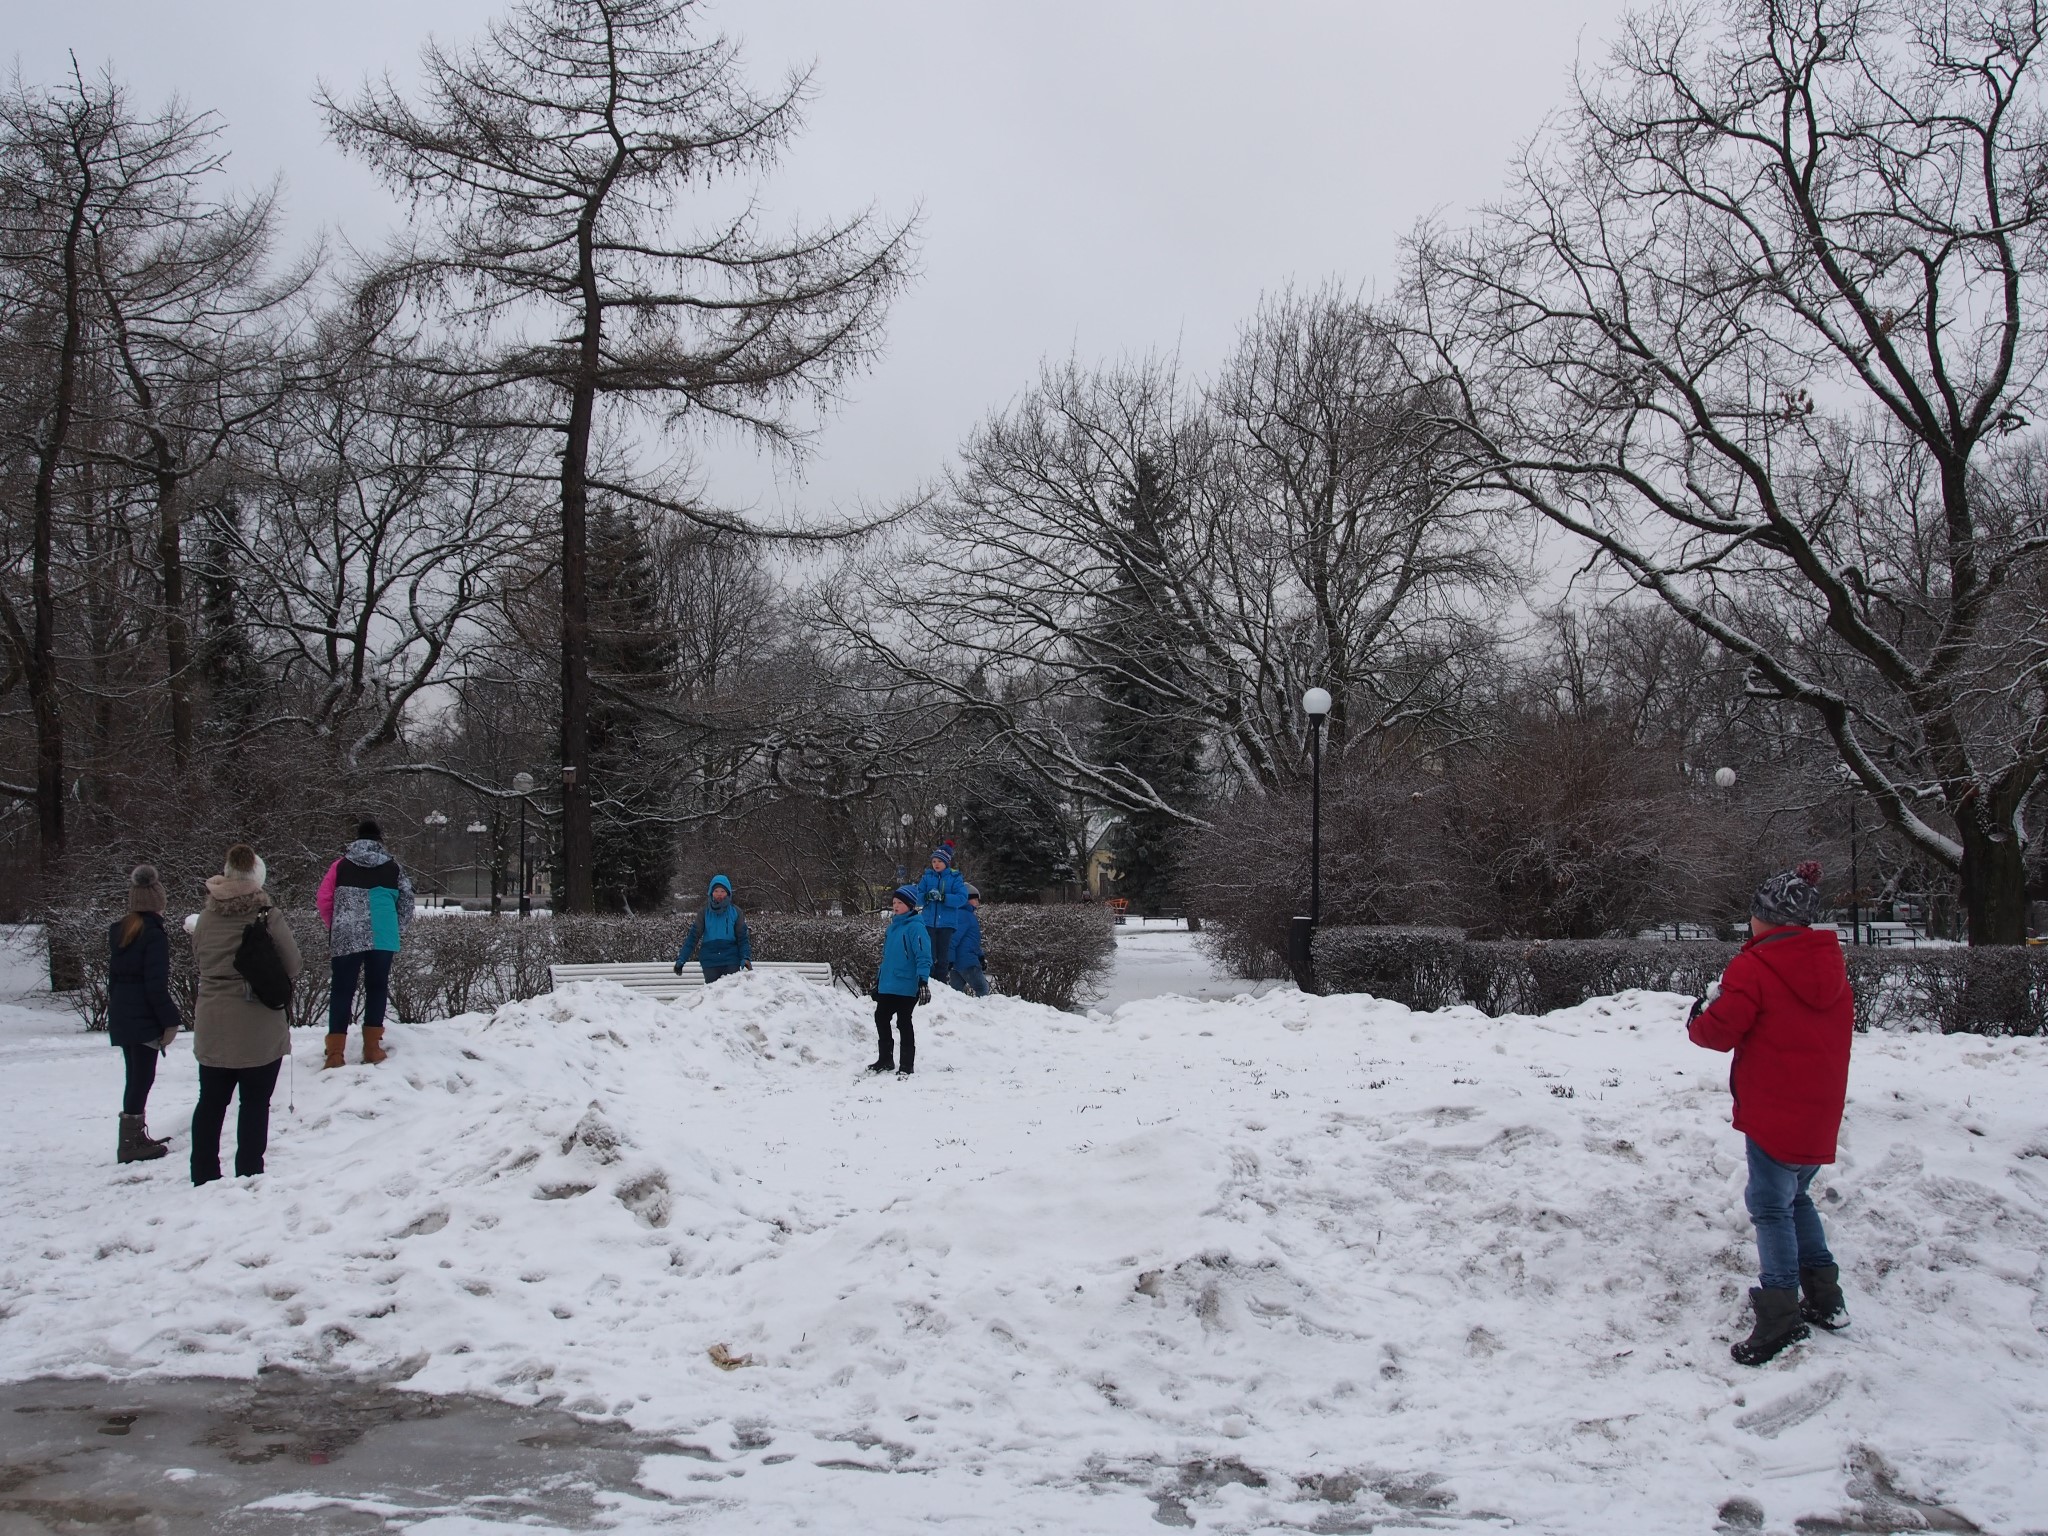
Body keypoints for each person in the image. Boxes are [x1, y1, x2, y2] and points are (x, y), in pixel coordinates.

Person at [1687, 860, 1854, 1365]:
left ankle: (1781, 1315)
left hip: (1773, 1109)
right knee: (1797, 1198)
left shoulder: (1755, 967)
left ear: (1768, 919)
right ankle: (1826, 1298)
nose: (1749, 922)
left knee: (1770, 1207)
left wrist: (1699, 1012)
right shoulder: (1828, 965)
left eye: (1754, 913)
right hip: (1818, 1110)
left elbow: (1716, 1033)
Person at [190, 844, 302, 1185]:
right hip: (258, 1026)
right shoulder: (266, 915)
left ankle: (204, 1173)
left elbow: (200, 958)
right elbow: (293, 964)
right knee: (254, 1103)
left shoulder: (206, 917)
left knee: (210, 1102)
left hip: (212, 1023)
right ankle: (249, 1172)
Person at [316, 819, 415, 1068]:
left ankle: (335, 1054)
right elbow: (407, 901)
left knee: (341, 989)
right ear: (380, 841)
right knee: (377, 987)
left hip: (346, 932)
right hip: (383, 934)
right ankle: (372, 1048)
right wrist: (396, 927)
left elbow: (324, 899)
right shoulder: (393, 868)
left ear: (357, 840)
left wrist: (336, 924)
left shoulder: (340, 866)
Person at [106, 864, 181, 1163]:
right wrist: (170, 1020)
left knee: (134, 1076)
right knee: (142, 1077)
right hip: (144, 1018)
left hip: (124, 1015)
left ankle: (133, 1135)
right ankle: (130, 1143)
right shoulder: (153, 935)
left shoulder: (122, 931)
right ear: (157, 902)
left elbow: (115, 981)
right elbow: (155, 985)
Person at [871, 886, 933, 1077]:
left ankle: (906, 1064)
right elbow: (887, 958)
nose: (896, 906)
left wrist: (923, 981)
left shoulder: (916, 928)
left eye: (900, 903)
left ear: (910, 905)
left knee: (904, 1022)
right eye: (894, 903)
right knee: (881, 1017)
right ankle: (885, 1059)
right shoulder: (892, 928)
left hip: (907, 985)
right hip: (888, 984)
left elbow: (923, 956)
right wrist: (878, 982)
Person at [675, 875, 753, 983]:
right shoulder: (704, 913)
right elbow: (693, 937)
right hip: (710, 961)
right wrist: (682, 959)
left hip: (731, 959)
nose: (719, 894)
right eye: (716, 891)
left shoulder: (736, 912)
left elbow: (742, 938)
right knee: (712, 994)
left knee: (731, 993)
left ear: (728, 893)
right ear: (711, 892)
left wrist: (745, 957)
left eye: (722, 891)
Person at [914, 842, 970, 983]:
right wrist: (926, 896)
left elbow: (962, 898)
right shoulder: (927, 877)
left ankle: (941, 982)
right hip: (928, 922)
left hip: (947, 923)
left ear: (947, 862)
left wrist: (944, 897)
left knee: (943, 955)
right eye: (934, 861)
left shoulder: (955, 878)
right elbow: (916, 897)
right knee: (929, 953)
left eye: (939, 861)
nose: (936, 864)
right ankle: (929, 981)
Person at [948, 883, 990, 998]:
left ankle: (956, 1014)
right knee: (982, 988)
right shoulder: (964, 915)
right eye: (975, 899)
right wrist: (949, 960)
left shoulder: (960, 914)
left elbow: (971, 941)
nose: (978, 903)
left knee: (955, 994)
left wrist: (980, 956)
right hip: (967, 962)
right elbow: (952, 939)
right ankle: (983, 1012)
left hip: (957, 963)